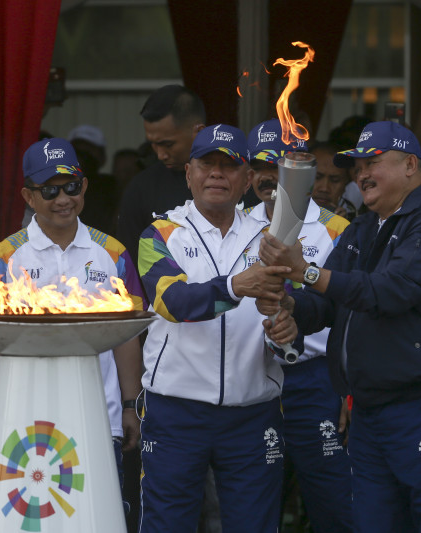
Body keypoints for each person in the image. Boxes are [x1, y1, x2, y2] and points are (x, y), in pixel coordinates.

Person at [258, 120, 421, 533]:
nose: (361, 173)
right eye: (358, 165)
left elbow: (387, 292)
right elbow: (327, 303)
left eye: (374, 162)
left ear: (411, 166)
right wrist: (289, 306)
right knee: (371, 523)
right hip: (368, 411)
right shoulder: (363, 228)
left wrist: (305, 272)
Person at [136, 124, 297, 533]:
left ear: (246, 179)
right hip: (176, 412)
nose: (217, 174)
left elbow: (290, 307)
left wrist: (286, 325)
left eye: (230, 166)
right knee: (168, 525)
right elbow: (172, 302)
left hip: (252, 414)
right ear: (189, 173)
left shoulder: (270, 237)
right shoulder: (160, 234)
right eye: (207, 164)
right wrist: (234, 286)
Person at [0, 137, 145, 500]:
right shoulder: (2, 259)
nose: (63, 199)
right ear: (28, 197)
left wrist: (132, 405)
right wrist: (1, 416)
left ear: (84, 186)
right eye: (50, 190)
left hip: (99, 420)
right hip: (26, 426)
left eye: (71, 186)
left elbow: (125, 337)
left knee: (99, 520)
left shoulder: (113, 254)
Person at [245, 119, 353, 533]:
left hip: (316, 380)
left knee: (333, 501)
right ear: (249, 172)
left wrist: (346, 391)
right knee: (254, 503)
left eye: (280, 165)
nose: (271, 175)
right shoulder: (232, 226)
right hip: (251, 377)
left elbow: (351, 311)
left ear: (300, 170)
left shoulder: (338, 230)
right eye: (260, 165)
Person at [117, 84, 205, 268]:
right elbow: (131, 267)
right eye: (153, 144)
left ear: (199, 132)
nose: (160, 154)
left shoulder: (233, 182)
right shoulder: (141, 188)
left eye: (167, 144)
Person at [310, 141, 358, 220]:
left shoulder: (350, 225)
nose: (324, 188)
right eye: (317, 177)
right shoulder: (283, 208)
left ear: (346, 184)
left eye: (335, 180)